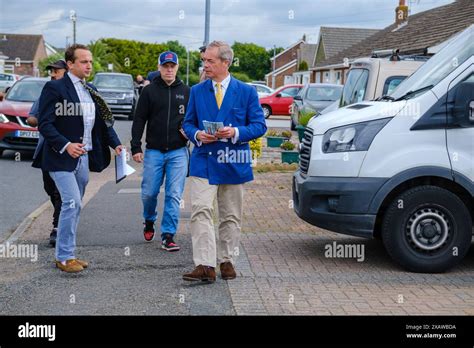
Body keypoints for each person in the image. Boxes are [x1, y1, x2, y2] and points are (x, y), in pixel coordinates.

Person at [182, 41, 266, 283]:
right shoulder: (197, 91)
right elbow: (188, 124)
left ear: (225, 63)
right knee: (200, 210)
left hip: (233, 160)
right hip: (203, 160)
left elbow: (259, 126)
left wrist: (236, 132)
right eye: (204, 61)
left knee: (230, 215)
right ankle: (205, 265)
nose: (205, 65)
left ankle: (226, 260)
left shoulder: (247, 92)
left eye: (210, 61)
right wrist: (197, 135)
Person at [38, 44, 123, 273]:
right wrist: (66, 145)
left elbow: (102, 124)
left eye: (90, 61)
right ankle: (64, 257)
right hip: (60, 158)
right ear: (70, 64)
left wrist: (116, 144)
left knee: (75, 207)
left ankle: (69, 253)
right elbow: (45, 124)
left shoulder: (90, 89)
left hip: (83, 159)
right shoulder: (54, 88)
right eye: (84, 61)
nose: (89, 65)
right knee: (71, 202)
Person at [131, 51, 190, 252]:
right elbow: (139, 119)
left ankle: (168, 235)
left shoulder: (186, 91)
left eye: (172, 66)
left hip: (178, 152)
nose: (169, 69)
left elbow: (193, 121)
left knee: (174, 194)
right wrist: (135, 146)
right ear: (159, 68)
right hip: (154, 151)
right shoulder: (149, 91)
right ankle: (149, 220)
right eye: (165, 66)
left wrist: (189, 132)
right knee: (149, 193)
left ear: (177, 67)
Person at [27, 59, 68, 247]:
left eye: (56, 71)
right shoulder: (47, 91)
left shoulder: (75, 94)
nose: (52, 74)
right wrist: (34, 120)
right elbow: (32, 117)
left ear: (67, 71)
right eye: (51, 71)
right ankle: (64, 215)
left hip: (68, 150)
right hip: (47, 148)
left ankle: (57, 227)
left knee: (61, 191)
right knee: (49, 188)